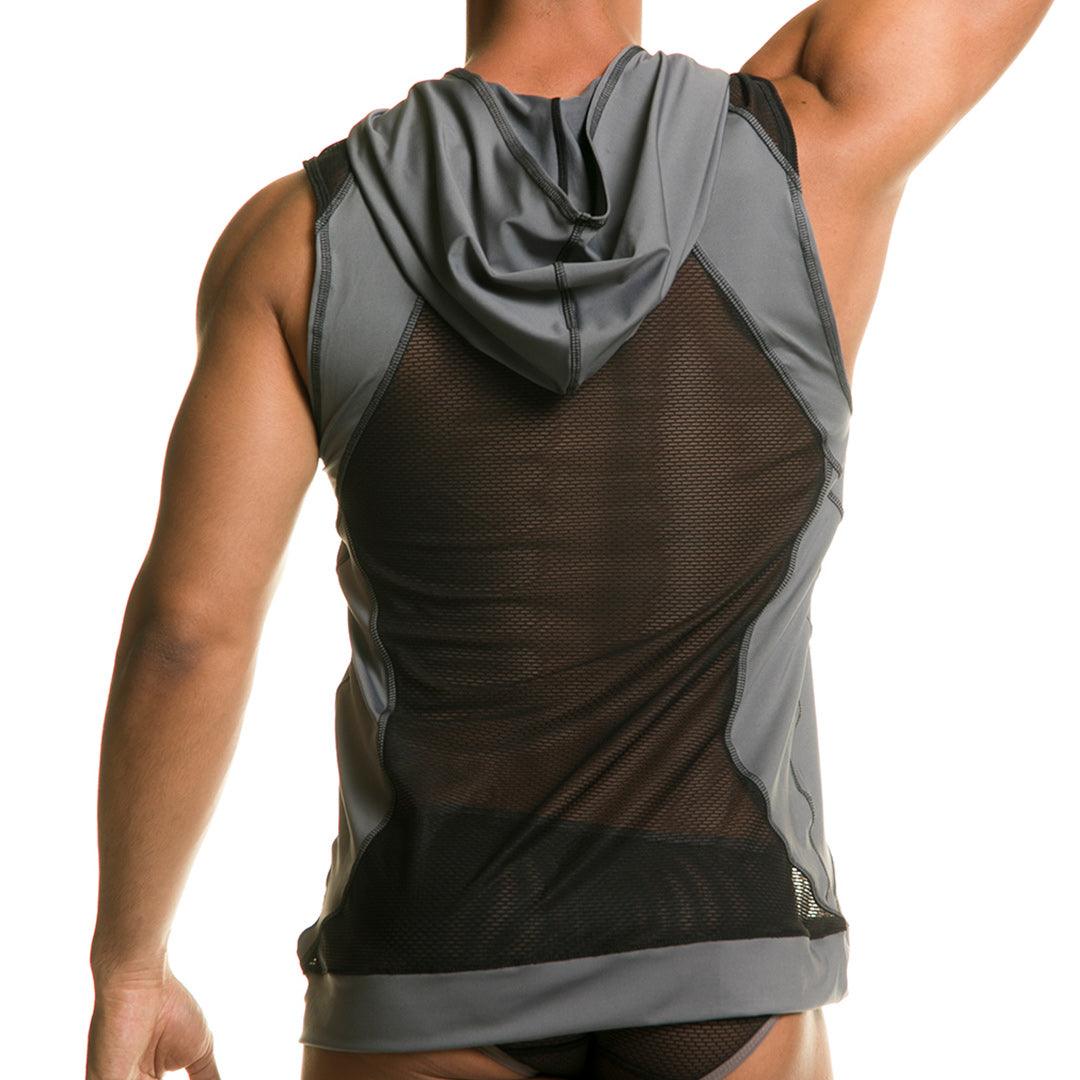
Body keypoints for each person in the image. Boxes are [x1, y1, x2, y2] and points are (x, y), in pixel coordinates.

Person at [85, 2, 1054, 1079]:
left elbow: (190, 632)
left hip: (426, 963)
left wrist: (130, 970)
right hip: (723, 948)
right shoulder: (805, 153)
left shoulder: (300, 239)